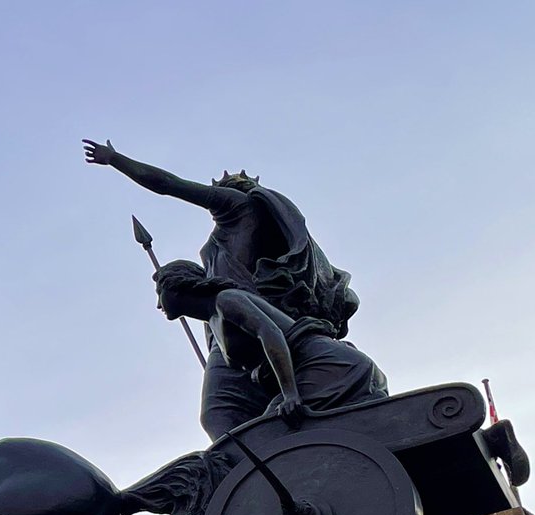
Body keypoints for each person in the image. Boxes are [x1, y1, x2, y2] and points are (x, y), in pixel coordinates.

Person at [84, 139, 361, 437]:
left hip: (247, 315)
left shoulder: (237, 206)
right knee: (219, 415)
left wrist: (115, 159)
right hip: (224, 329)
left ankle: (276, 455)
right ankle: (261, 466)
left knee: (222, 413)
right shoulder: (221, 239)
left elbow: (167, 183)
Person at [153, 260, 387, 424]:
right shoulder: (212, 322)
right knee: (260, 431)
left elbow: (270, 334)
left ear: (176, 285)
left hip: (328, 366)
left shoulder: (227, 300)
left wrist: (290, 394)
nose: (158, 305)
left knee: (267, 432)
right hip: (308, 373)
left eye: (159, 292)